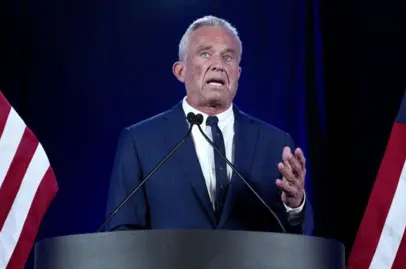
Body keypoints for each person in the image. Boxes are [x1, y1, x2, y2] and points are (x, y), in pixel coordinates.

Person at [104, 15, 314, 235]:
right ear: (180, 71)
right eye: (205, 54)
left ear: (238, 74)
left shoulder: (276, 144)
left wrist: (295, 205)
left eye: (228, 57)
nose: (218, 65)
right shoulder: (140, 141)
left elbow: (298, 237)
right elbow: (122, 232)